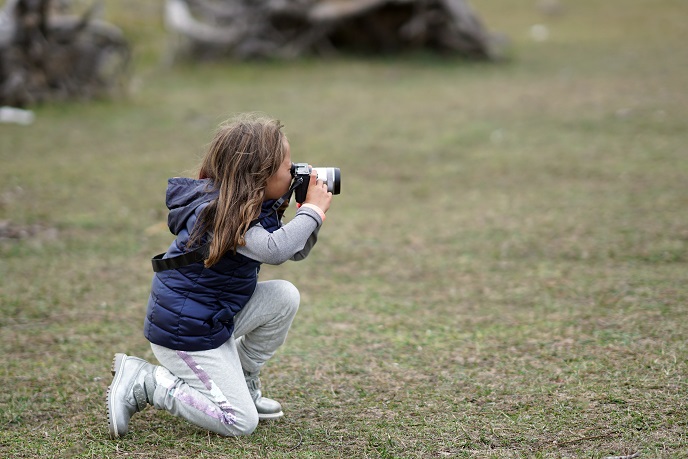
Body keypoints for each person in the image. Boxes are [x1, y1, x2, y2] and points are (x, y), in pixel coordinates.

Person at [106, 113, 332, 438]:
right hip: (187, 334)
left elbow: (292, 250)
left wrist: (307, 214)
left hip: (213, 317)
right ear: (259, 176)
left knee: (284, 296)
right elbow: (275, 250)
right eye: (287, 166)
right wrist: (313, 211)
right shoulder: (218, 213)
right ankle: (145, 382)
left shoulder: (250, 204)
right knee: (240, 421)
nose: (296, 170)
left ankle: (242, 378)